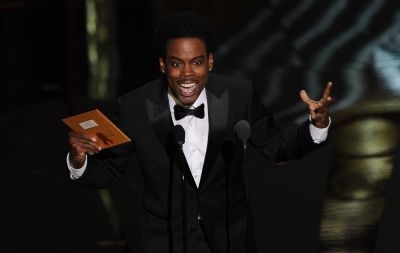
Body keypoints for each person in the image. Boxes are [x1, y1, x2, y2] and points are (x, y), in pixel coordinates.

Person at [66, 10, 333, 253]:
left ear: (210, 62)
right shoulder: (135, 106)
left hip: (230, 239)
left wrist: (316, 126)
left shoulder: (238, 95)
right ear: (162, 65)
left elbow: (275, 146)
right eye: (176, 63)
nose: (187, 74)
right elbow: (109, 171)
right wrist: (79, 162)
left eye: (196, 62)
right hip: (165, 242)